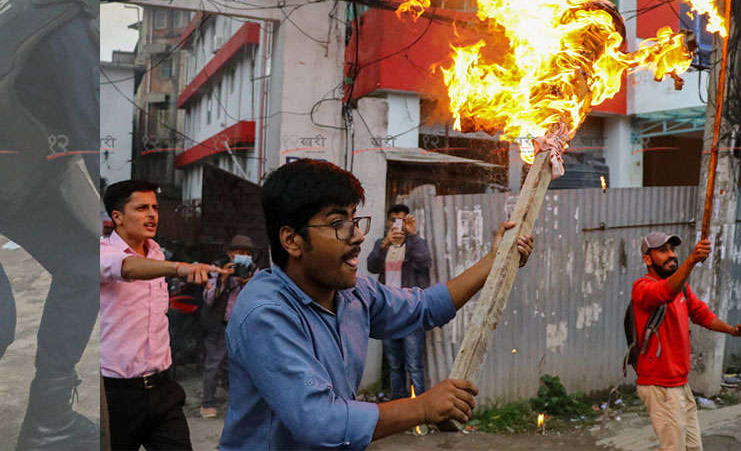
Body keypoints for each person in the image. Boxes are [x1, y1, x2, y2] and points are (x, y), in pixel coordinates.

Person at [219, 159, 535, 449]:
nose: (357, 235)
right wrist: (423, 406)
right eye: (338, 223)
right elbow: (318, 422)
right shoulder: (265, 313)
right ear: (292, 240)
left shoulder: (353, 293)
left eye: (355, 220)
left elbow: (424, 306)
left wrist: (495, 261)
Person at [0, 0, 101, 449]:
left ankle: (47, 420)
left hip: (14, 179)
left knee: (82, 268)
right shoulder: (70, 31)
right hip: (12, 174)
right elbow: (97, 158)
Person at [99, 180, 228, 449]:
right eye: (142, 207)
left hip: (163, 391)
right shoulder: (100, 252)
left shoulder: (158, 254)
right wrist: (179, 267)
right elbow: (128, 267)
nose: (152, 214)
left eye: (155, 208)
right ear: (117, 217)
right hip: (115, 395)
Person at [632, 232, 741, 451]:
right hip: (660, 385)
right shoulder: (643, 287)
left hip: (679, 383)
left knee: (693, 448)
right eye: (662, 251)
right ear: (647, 259)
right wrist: (692, 260)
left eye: (673, 250)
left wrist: (731, 330)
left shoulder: (682, 288)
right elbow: (664, 293)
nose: (671, 256)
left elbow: (701, 314)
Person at [366, 204, 432, 400]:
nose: (397, 224)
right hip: (388, 312)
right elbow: (371, 266)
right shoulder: (383, 243)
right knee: (395, 365)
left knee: (414, 364)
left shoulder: (413, 244)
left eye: (402, 219)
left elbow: (424, 262)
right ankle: (398, 404)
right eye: (394, 219)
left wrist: (412, 236)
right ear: (388, 222)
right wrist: (384, 244)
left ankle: (419, 411)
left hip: (411, 311)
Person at [200, 234, 256, 418]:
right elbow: (208, 299)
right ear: (230, 253)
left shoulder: (255, 272)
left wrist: (248, 284)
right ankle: (207, 402)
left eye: (247, 253)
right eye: (240, 252)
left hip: (243, 327)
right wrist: (223, 279)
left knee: (243, 366)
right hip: (220, 325)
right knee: (213, 364)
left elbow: (261, 298)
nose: (244, 256)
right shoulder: (216, 270)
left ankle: (241, 403)